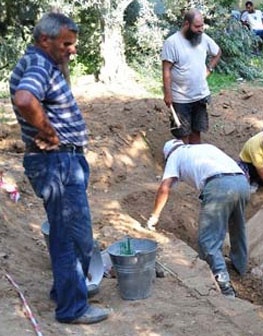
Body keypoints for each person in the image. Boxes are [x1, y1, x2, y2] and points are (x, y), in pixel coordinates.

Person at [9, 12, 109, 324]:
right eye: (66, 44)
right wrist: (49, 132)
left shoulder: (43, 63)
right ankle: (72, 308)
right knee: (69, 236)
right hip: (58, 162)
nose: (72, 50)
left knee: (75, 235)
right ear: (44, 40)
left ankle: (67, 289)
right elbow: (26, 99)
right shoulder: (39, 64)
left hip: (64, 162)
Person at [146, 140, 249, 298]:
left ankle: (224, 285)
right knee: (238, 227)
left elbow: (164, 187)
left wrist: (154, 216)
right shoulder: (204, 147)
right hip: (242, 182)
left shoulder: (174, 156)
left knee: (208, 239)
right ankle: (240, 267)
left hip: (219, 185)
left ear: (167, 155)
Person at [161, 9, 221, 144]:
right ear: (187, 24)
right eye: (197, 26)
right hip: (180, 98)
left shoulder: (204, 38)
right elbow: (166, 70)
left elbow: (217, 53)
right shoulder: (172, 43)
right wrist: (168, 94)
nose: (201, 29)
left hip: (200, 95)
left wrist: (209, 69)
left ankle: (194, 161)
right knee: (182, 135)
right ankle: (182, 162)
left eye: (202, 25)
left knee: (196, 132)